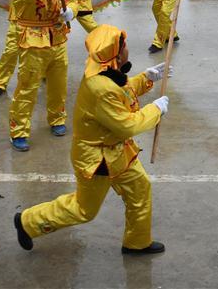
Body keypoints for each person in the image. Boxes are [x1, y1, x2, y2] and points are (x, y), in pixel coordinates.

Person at [15, 24, 170, 254]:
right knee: (84, 210)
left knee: (139, 188)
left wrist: (146, 78)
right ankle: (28, 222)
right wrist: (155, 110)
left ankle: (137, 242)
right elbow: (127, 125)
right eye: (123, 45)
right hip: (97, 160)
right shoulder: (100, 87)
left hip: (117, 151)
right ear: (114, 53)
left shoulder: (103, 68)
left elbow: (123, 91)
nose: (126, 48)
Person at [8, 0, 78, 151]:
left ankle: (57, 119)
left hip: (57, 36)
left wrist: (71, 12)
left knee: (58, 84)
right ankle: (18, 131)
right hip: (33, 38)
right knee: (27, 87)